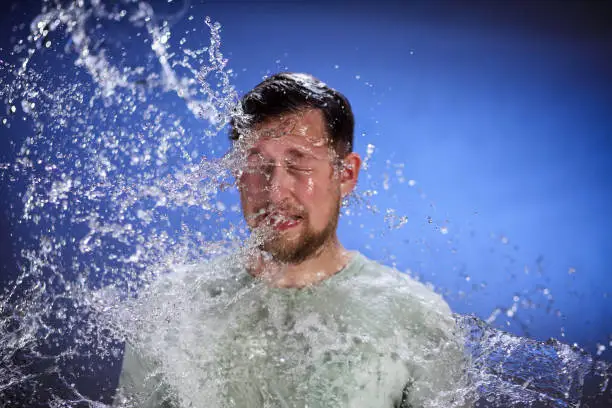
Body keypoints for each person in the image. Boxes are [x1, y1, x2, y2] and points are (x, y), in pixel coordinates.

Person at [115, 72, 471, 408]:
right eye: (256, 166)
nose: (275, 191)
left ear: (346, 175)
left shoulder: (415, 318)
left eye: (299, 164)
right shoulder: (172, 309)